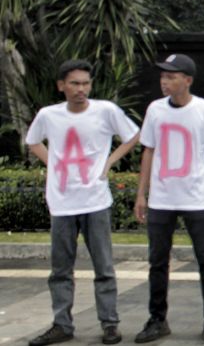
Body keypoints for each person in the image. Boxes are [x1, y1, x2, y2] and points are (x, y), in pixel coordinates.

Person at [25, 59, 140, 346]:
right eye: (74, 83)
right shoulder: (48, 115)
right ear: (61, 86)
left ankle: (110, 324)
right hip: (62, 202)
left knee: (104, 267)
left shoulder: (105, 111)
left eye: (85, 83)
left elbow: (133, 135)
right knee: (60, 269)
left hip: (95, 200)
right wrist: (54, 164)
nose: (81, 89)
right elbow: (33, 141)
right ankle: (61, 324)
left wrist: (109, 162)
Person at [133, 54, 204, 344]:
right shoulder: (155, 110)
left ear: (187, 80)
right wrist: (142, 194)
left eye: (171, 76)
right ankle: (157, 319)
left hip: (197, 200)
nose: (165, 81)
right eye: (163, 76)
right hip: (162, 200)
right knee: (157, 262)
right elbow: (148, 151)